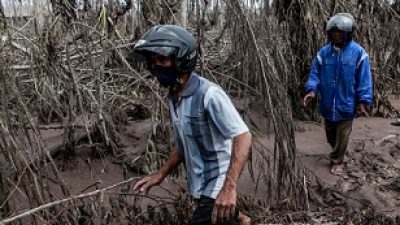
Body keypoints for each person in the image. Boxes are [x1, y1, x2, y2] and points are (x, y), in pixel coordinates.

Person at [132, 25, 252, 225]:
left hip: (217, 185)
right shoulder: (173, 96)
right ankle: (239, 219)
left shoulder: (209, 94)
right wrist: (159, 175)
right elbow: (183, 144)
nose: (156, 67)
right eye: (152, 62)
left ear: (181, 59)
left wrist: (229, 188)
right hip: (200, 187)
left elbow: (243, 135)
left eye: (162, 60)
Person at [303, 13, 373, 175]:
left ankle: (337, 161)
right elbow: (315, 74)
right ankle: (337, 151)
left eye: (340, 33)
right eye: (333, 33)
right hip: (328, 104)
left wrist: (363, 100)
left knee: (343, 134)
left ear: (348, 33)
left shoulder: (358, 53)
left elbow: (364, 79)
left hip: (347, 103)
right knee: (330, 134)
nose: (336, 35)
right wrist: (311, 90)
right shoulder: (323, 53)